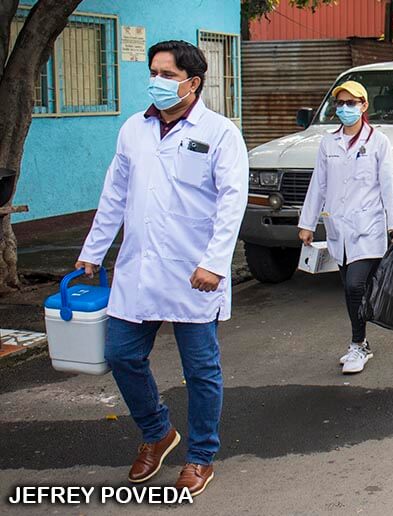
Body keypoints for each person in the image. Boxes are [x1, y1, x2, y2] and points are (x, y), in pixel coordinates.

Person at [75, 40, 248, 496]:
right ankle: (158, 433)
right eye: (154, 72)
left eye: (167, 74)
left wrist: (215, 263)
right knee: (121, 354)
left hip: (195, 271)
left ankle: (201, 456)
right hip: (140, 269)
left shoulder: (220, 132)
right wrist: (93, 251)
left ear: (193, 82)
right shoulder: (134, 128)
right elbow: (114, 194)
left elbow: (233, 202)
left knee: (201, 370)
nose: (157, 81)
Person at [298, 81, 393, 375]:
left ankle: (358, 343)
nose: (345, 109)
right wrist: (307, 223)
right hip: (338, 229)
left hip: (368, 228)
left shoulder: (378, 142)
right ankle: (361, 341)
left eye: (351, 103)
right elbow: (318, 184)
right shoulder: (328, 143)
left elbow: (387, 188)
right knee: (349, 287)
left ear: (364, 106)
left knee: (356, 284)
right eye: (340, 104)